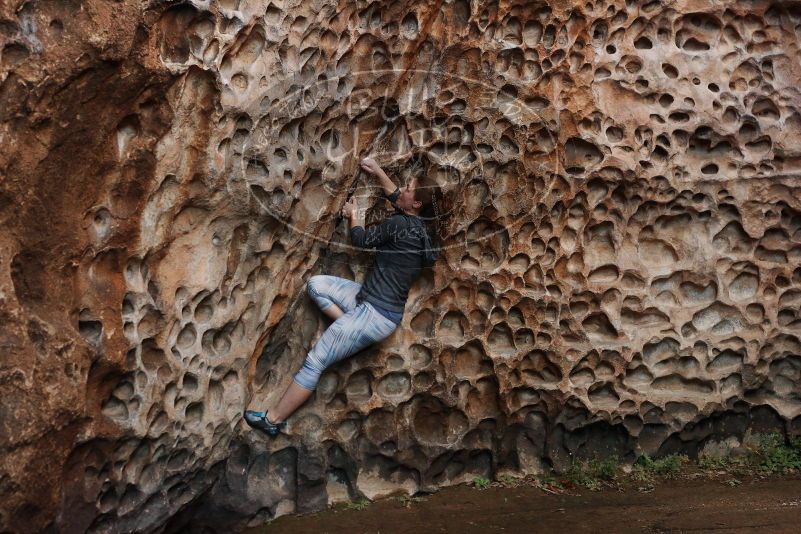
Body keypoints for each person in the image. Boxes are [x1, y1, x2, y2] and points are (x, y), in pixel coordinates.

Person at [244, 156, 444, 436]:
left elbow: (361, 240)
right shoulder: (422, 231)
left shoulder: (399, 225)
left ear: (417, 204)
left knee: (316, 359)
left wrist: (355, 215)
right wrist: (377, 171)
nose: (403, 188)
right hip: (367, 303)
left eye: (408, 187)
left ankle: (273, 420)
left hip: (376, 314)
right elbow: (398, 197)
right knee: (316, 285)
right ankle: (349, 327)